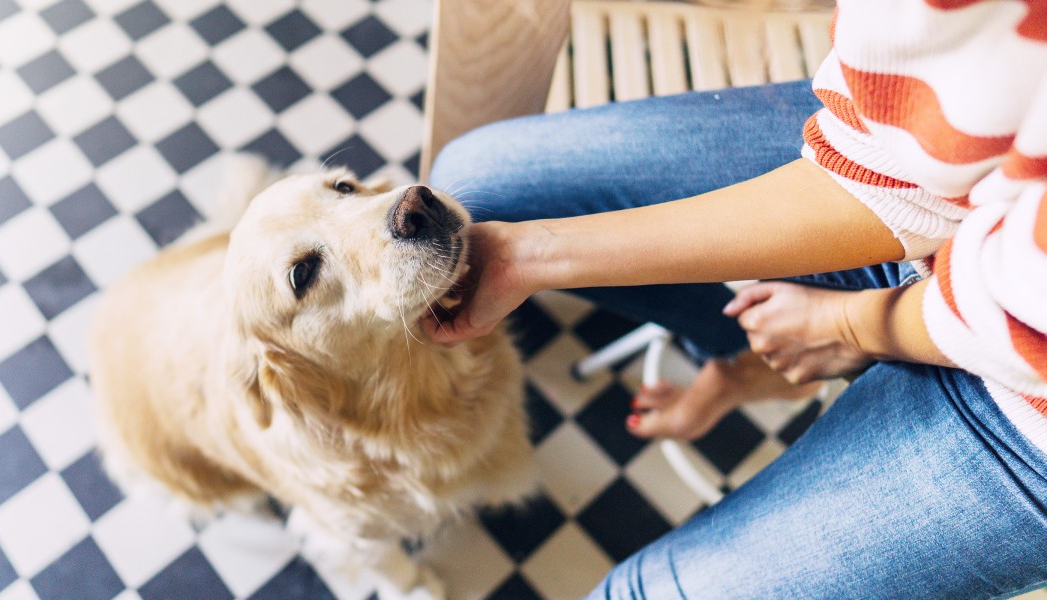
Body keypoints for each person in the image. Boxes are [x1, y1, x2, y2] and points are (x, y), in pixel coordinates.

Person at [421, 0, 1047, 597]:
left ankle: (779, 358)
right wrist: (525, 256)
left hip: (1028, 395)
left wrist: (853, 327)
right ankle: (744, 359)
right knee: (481, 184)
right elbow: (890, 170)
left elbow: (1025, 317)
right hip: (981, 196)